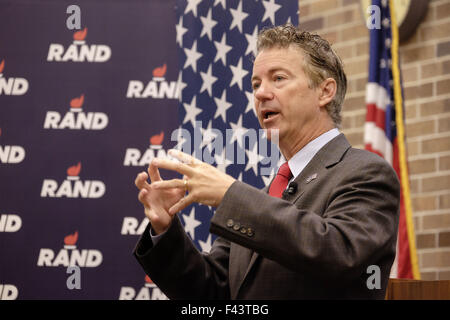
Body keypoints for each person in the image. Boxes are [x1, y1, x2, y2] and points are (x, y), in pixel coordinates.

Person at [133, 24, 400, 299]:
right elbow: (213, 292)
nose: (260, 94)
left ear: (325, 91)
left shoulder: (366, 173)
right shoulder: (264, 197)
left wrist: (230, 195)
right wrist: (165, 230)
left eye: (278, 78)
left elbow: (341, 253)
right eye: (256, 84)